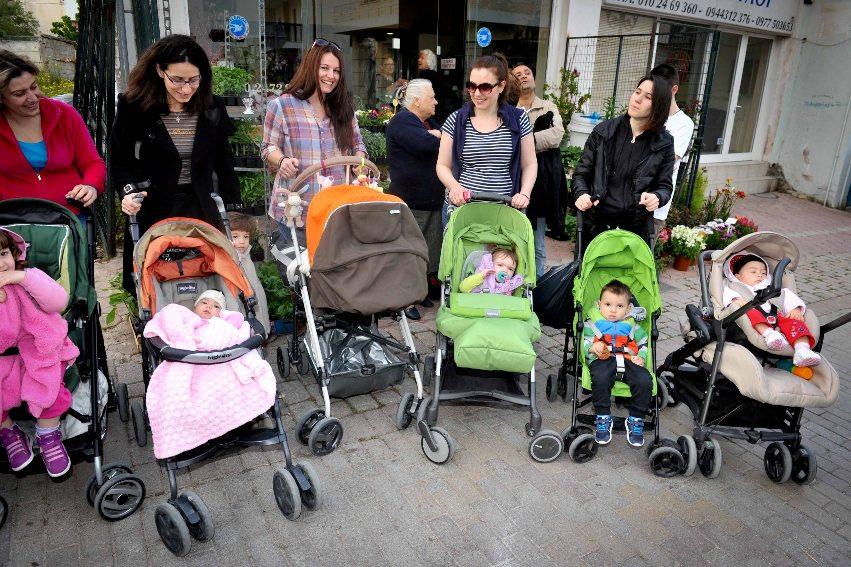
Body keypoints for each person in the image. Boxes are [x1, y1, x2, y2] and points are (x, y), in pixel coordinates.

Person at [111, 35, 239, 294]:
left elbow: (224, 163)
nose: (186, 89)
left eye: (193, 80)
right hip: (153, 206)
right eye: (177, 80)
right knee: (153, 282)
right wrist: (127, 193)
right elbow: (120, 160)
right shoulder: (135, 106)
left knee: (203, 278)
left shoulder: (211, 107)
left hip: (200, 207)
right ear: (160, 71)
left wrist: (234, 209)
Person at [261, 38, 367, 250]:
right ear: (311, 67)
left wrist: (360, 162)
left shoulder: (343, 108)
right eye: (324, 68)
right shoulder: (282, 105)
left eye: (336, 71)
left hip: (336, 210)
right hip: (297, 208)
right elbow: (268, 147)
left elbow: (358, 146)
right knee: (302, 270)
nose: (331, 76)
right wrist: (282, 161)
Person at [0, 227, 78, 477]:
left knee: (47, 387)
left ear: (14, 254)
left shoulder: (30, 278)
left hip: (41, 351)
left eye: (3, 254)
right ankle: (9, 431)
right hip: (5, 359)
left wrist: (21, 278)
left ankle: (47, 434)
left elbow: (59, 302)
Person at [572, 74, 675, 253]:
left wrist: (657, 196)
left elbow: (665, 186)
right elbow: (581, 173)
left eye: (648, 97)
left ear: (659, 105)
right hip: (596, 226)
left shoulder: (664, 143)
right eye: (637, 92)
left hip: (635, 232)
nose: (637, 99)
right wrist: (581, 194)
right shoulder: (603, 132)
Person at [436, 53, 537, 227]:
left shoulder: (518, 119)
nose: (476, 93)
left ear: (501, 86)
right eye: (472, 86)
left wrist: (524, 193)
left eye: (485, 87)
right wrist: (455, 187)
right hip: (462, 210)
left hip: (504, 211)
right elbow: (442, 165)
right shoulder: (456, 119)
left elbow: (529, 163)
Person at [0, 51, 105, 216]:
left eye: (33, 86)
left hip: (68, 216)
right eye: (19, 94)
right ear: (2, 98)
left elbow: (92, 163)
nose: (32, 97)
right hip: (13, 221)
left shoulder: (64, 114)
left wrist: (90, 185)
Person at [386, 79, 443, 320]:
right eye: (432, 97)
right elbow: (426, 145)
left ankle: (419, 293)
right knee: (409, 252)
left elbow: (445, 137)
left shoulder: (427, 122)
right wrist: (436, 136)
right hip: (411, 202)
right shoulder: (403, 121)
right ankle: (404, 301)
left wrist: (437, 134)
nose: (436, 102)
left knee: (426, 252)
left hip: (429, 200)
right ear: (417, 100)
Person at [513, 63, 568, 278]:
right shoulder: (508, 109)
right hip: (515, 181)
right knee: (513, 239)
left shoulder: (547, 106)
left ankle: (537, 286)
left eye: (527, 72)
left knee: (538, 243)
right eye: (518, 74)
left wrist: (525, 142)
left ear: (534, 78)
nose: (524, 76)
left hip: (542, 184)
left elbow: (557, 135)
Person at [582, 280, 651, 447]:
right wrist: (592, 348)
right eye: (608, 305)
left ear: (628, 309)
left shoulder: (632, 326)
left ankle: (635, 419)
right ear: (599, 305)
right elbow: (584, 342)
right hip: (603, 359)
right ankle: (603, 417)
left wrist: (641, 357)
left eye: (619, 306)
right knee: (600, 378)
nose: (613, 310)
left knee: (644, 380)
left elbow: (643, 343)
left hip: (629, 359)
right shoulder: (592, 324)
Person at [723, 253, 821, 368]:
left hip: (778, 318)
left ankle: (802, 350)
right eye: (753, 272)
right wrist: (737, 300)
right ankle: (769, 334)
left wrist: (795, 309)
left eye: (763, 273)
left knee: (795, 322)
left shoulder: (773, 288)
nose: (759, 275)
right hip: (753, 321)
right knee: (749, 311)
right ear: (738, 276)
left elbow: (788, 296)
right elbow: (729, 298)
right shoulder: (734, 287)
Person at [649, 64, 695, 249]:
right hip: (627, 201)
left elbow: (668, 160)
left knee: (640, 257)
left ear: (674, 89)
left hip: (655, 204)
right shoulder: (647, 113)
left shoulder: (684, 124)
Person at [227, 212, 270, 334]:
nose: (242, 241)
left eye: (246, 237)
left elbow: (256, 287)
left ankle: (262, 331)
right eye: (235, 237)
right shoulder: (228, 261)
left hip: (254, 301)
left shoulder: (246, 257)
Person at [459, 248, 524, 295]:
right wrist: (481, 276)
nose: (505, 270)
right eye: (500, 265)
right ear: (491, 265)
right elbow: (462, 288)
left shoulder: (509, 286)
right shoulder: (480, 277)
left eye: (510, 269)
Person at [416, 49, 452, 124]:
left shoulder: (425, 75)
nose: (419, 60)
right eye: (419, 58)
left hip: (430, 113)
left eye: (422, 58)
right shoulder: (434, 74)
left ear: (429, 61)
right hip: (437, 113)